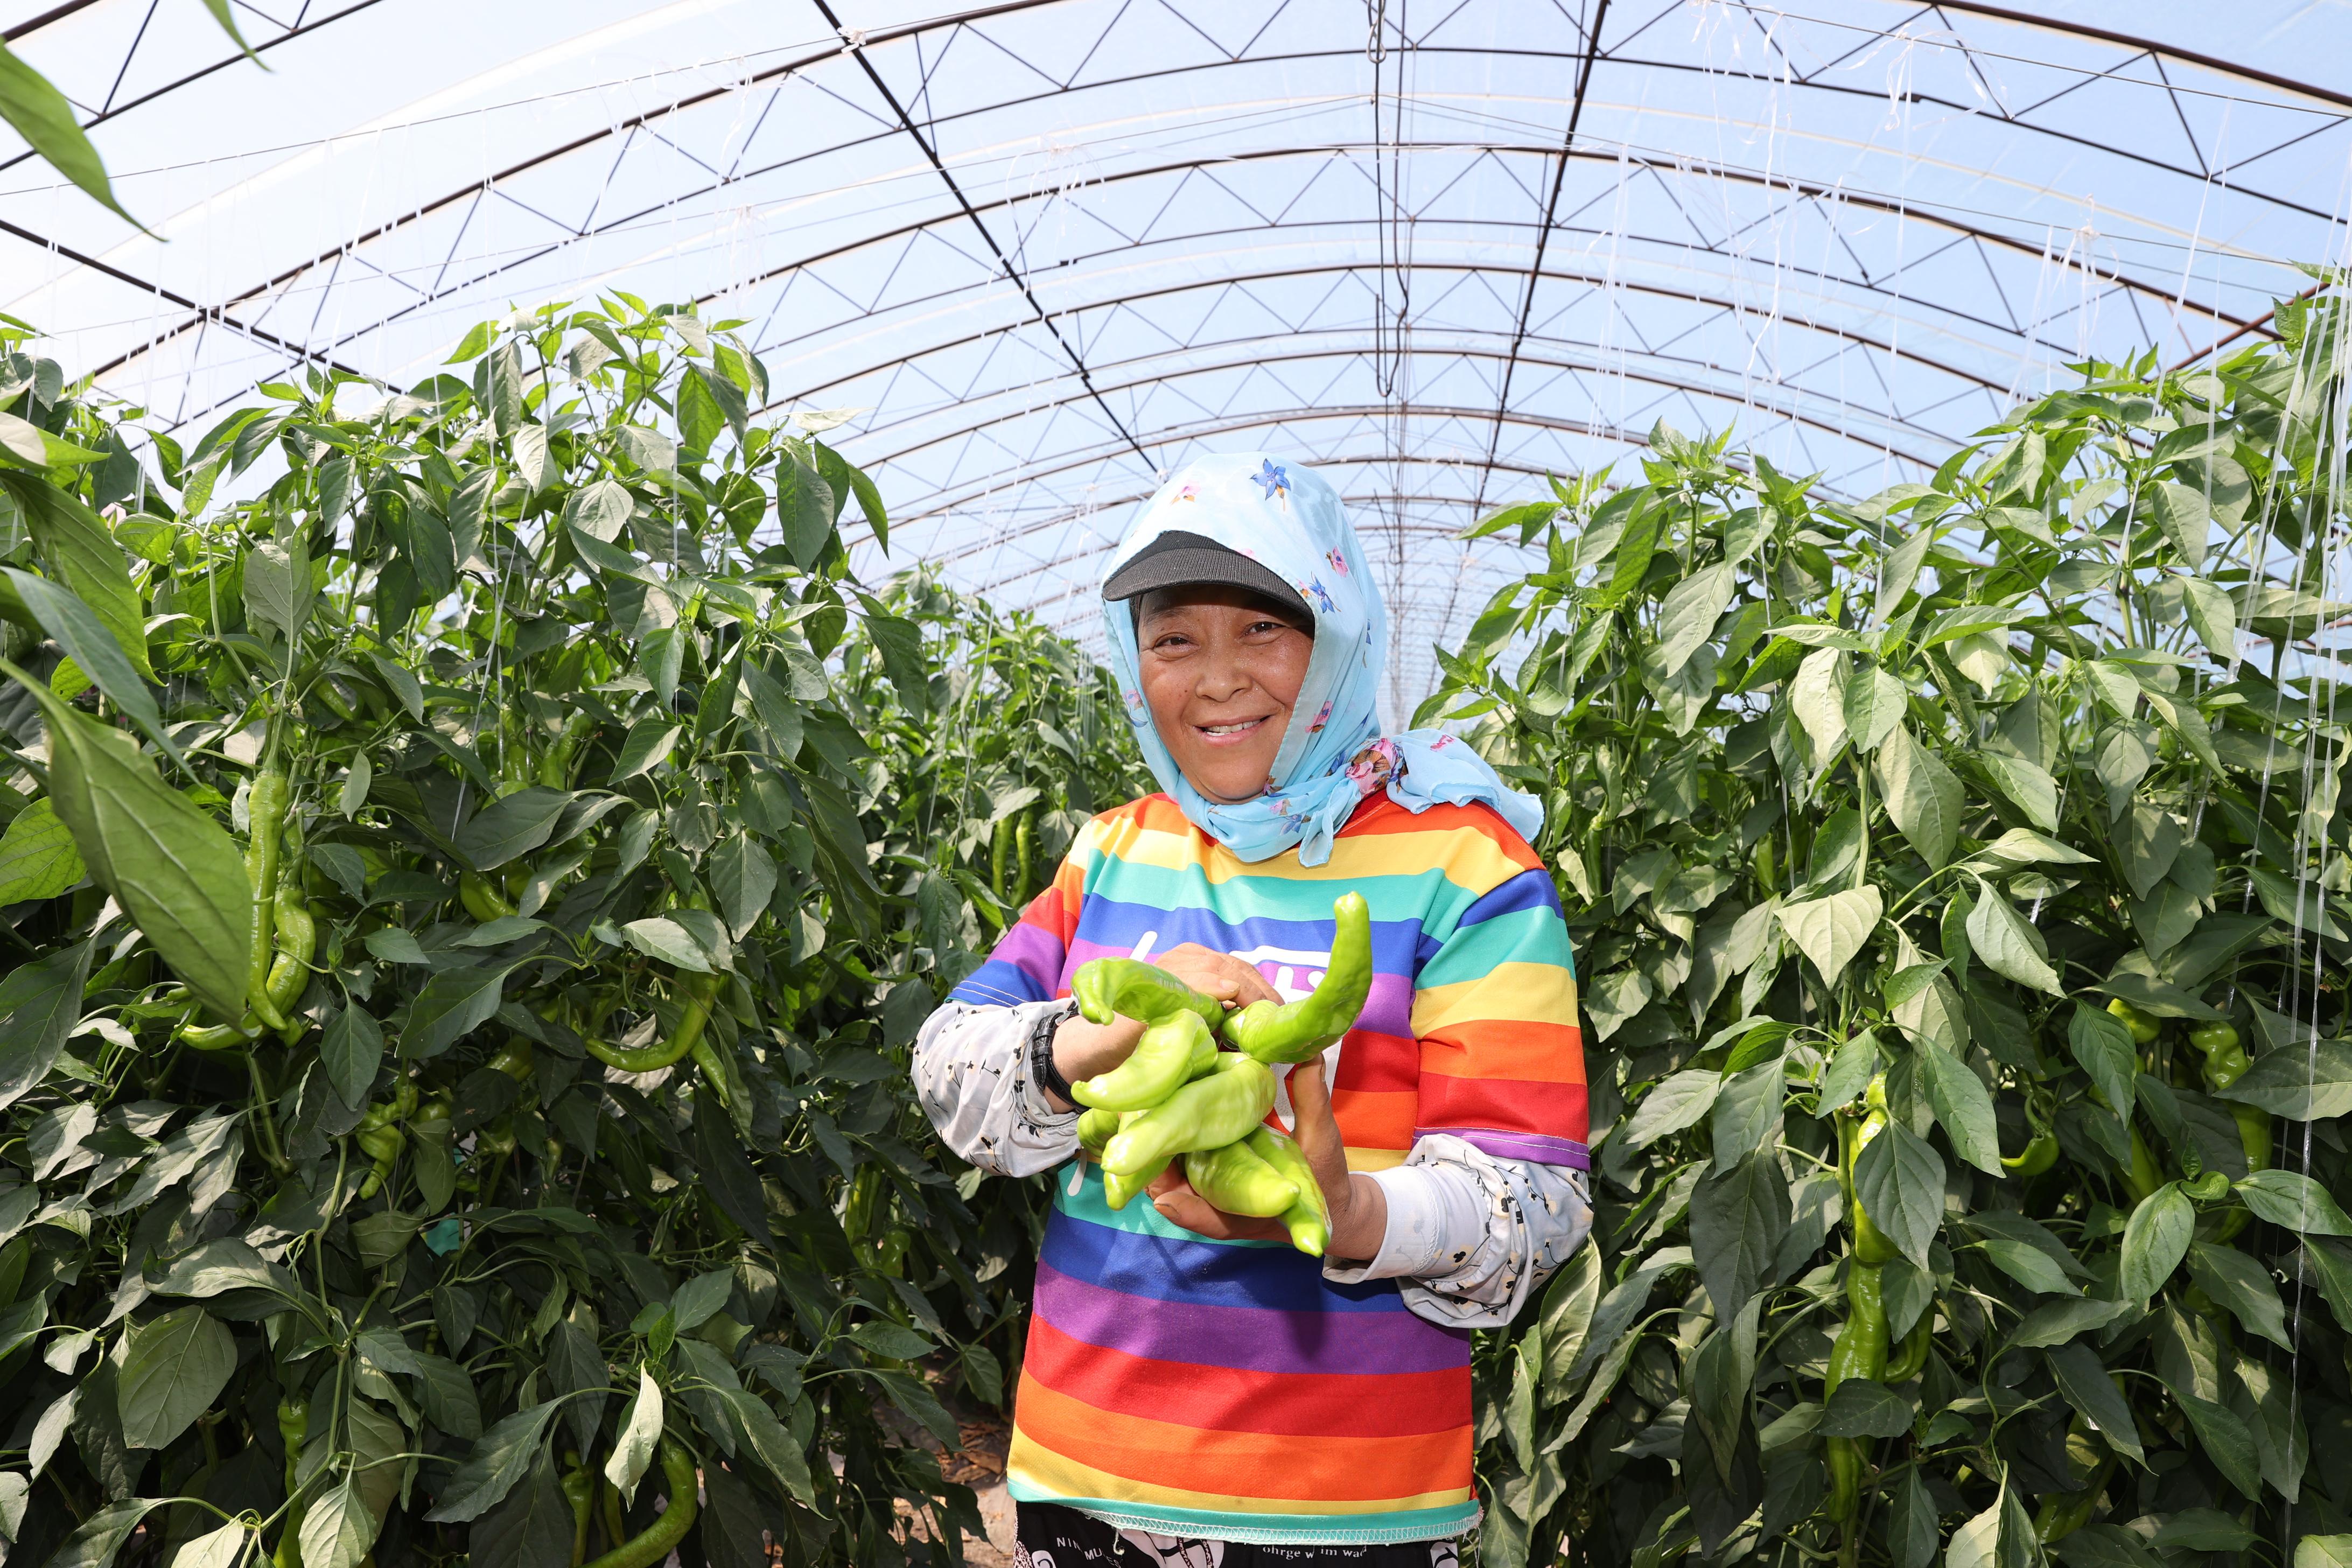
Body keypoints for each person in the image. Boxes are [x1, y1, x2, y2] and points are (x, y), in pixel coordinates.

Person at [914, 453, 1591, 1566]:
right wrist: (1091, 1039)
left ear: (1338, 636)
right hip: (1085, 1481)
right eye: (1174, 639)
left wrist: (1346, 1213)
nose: (1218, 679)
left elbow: (1536, 1205)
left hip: (1345, 1509)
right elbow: (947, 1062)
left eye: (1264, 630)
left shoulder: (1469, 867)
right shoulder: (1112, 850)